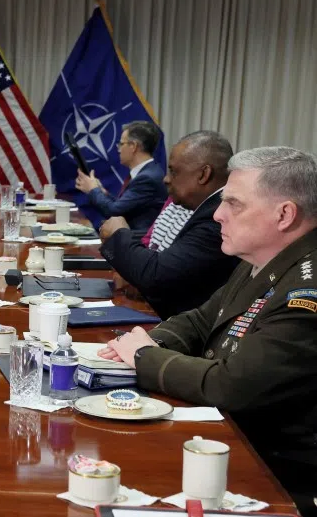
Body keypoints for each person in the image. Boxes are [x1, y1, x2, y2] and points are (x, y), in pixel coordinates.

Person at [98, 147, 317, 517]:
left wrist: (144, 356)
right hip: (234, 440)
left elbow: (231, 385)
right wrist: (147, 340)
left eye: (234, 204)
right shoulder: (265, 258)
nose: (217, 214)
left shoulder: (306, 291)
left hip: (278, 474)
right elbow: (203, 319)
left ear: (285, 214)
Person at [98, 131, 240, 318]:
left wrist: (119, 234)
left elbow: (157, 276)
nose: (166, 179)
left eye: (174, 171)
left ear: (203, 174)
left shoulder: (218, 218)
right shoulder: (206, 208)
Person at [75, 121, 167, 230]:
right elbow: (123, 206)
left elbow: (114, 212)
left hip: (138, 241)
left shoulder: (147, 178)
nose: (118, 149)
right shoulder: (148, 172)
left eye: (121, 144)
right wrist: (102, 192)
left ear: (133, 146)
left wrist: (93, 189)